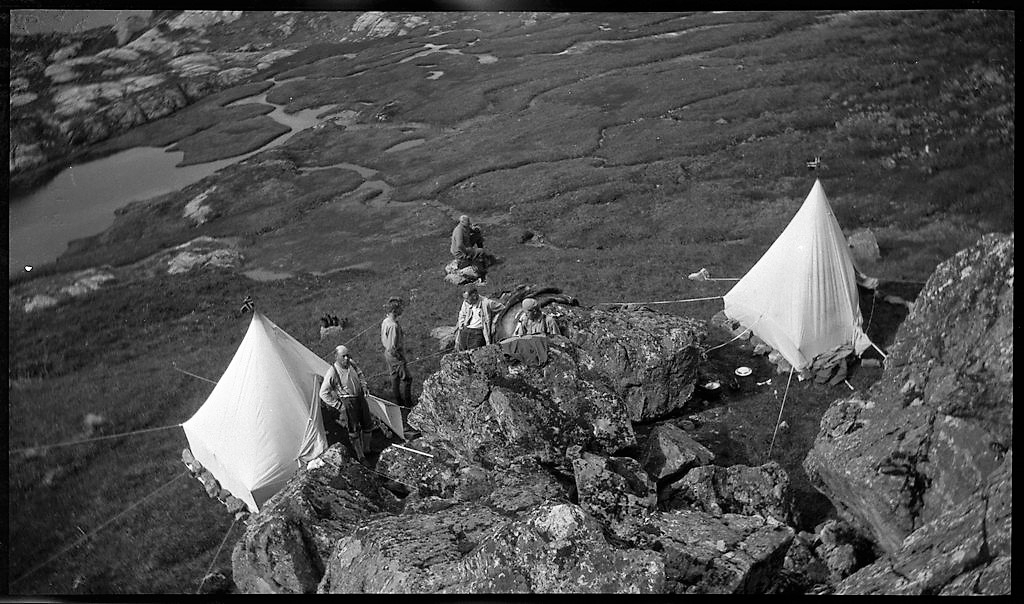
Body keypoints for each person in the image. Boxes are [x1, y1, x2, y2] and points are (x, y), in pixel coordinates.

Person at [319, 345, 373, 462]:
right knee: (353, 429)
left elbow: (360, 374)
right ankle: (360, 456)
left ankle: (367, 449)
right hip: (348, 402)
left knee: (367, 424)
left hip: (360, 398)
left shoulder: (351, 364)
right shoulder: (332, 372)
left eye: (348, 355)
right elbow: (323, 393)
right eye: (343, 356)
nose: (347, 358)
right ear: (336, 357)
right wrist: (339, 405)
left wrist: (364, 386)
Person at [380, 296, 414, 408]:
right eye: (401, 308)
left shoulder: (386, 321)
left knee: (394, 377)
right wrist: (400, 357)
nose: (402, 310)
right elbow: (392, 346)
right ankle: (407, 403)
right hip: (395, 355)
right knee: (407, 379)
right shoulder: (393, 326)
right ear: (395, 311)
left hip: (388, 354)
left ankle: (398, 401)